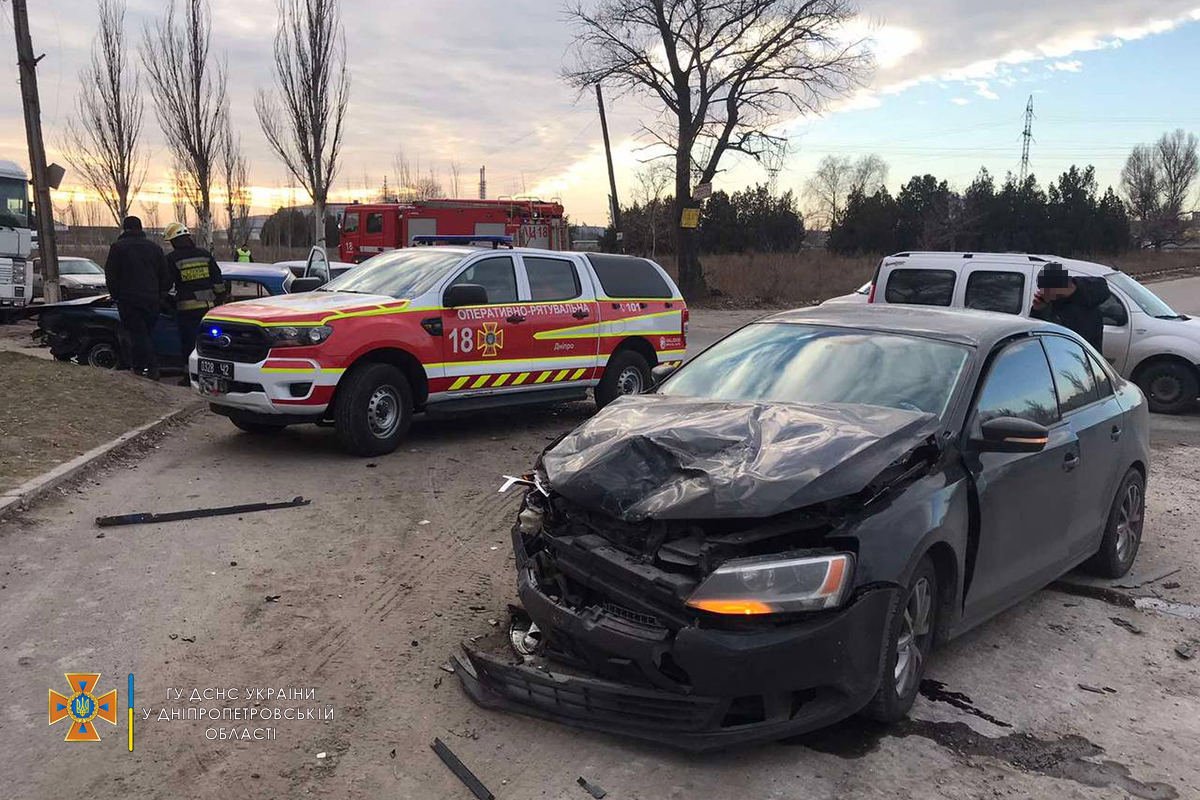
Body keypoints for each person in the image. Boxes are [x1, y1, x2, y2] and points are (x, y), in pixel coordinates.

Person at [104, 215, 170, 379]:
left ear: (124, 228)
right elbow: (165, 275)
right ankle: (139, 367)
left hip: (129, 300)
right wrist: (160, 295)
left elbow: (111, 275)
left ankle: (151, 367)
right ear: (141, 228)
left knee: (137, 334)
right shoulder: (155, 248)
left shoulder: (118, 248)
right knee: (145, 333)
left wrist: (116, 296)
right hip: (152, 300)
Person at [164, 222, 227, 385]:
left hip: (187, 311)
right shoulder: (204, 254)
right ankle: (214, 374)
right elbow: (218, 281)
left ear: (175, 241)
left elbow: (167, 285)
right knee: (211, 342)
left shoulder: (172, 258)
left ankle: (189, 376)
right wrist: (220, 299)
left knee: (189, 344)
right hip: (209, 309)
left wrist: (167, 302)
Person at [1030, 262, 1111, 352]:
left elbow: (1060, 337)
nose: (1042, 292)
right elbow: (1036, 331)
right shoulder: (1053, 301)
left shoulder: (1086, 307)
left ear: (1058, 287)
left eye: (1045, 289)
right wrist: (1038, 310)